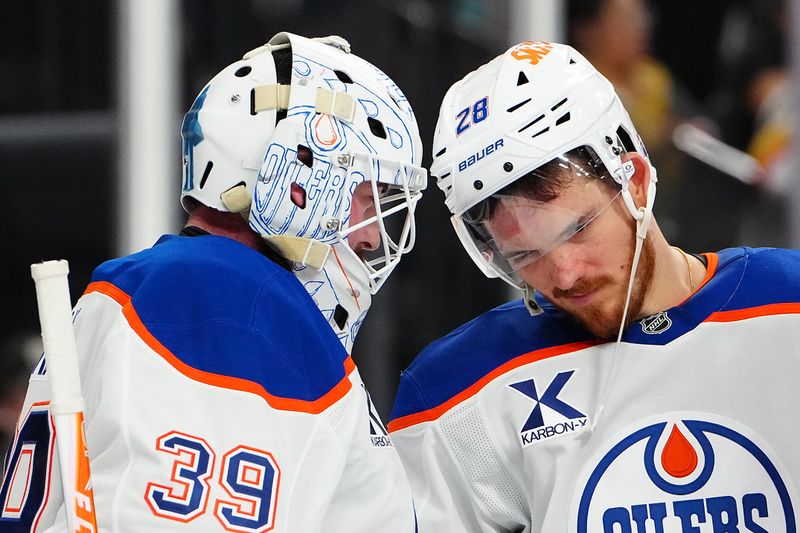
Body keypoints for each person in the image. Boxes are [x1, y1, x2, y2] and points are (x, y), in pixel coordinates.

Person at [1, 32, 426, 532]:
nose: (374, 235)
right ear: (299, 175)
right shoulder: (227, 305)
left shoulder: (179, 290)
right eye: (368, 195)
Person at [388, 40, 800, 532]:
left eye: (578, 228)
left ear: (638, 182)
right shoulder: (459, 390)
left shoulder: (788, 309)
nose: (563, 275)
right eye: (524, 256)